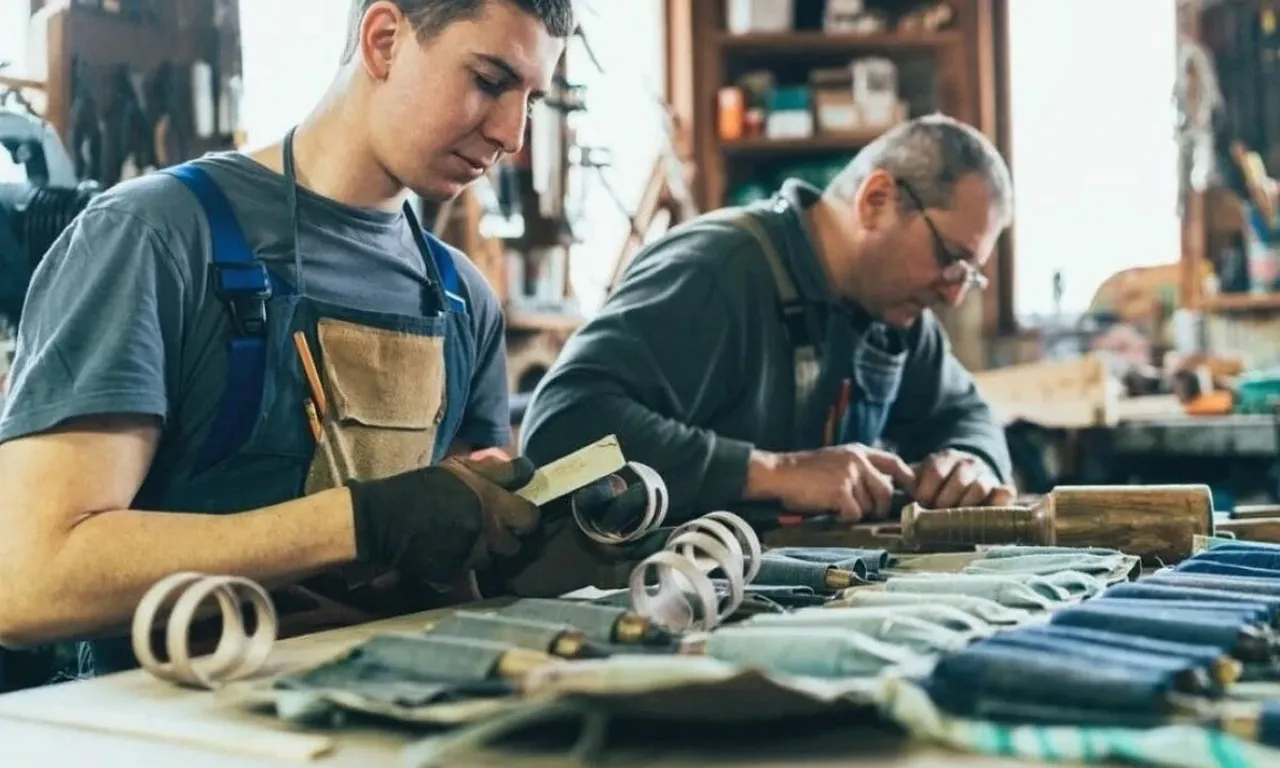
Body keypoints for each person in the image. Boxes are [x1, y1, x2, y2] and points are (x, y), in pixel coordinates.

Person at [0, 0, 575, 682]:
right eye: (489, 80)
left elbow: (461, 572)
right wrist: (361, 522)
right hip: (173, 733)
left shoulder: (460, 299)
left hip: (389, 723)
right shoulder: (159, 237)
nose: (513, 134)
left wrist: (561, 541)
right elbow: (29, 578)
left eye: (533, 99)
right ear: (385, 40)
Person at [521, 115, 1017, 524]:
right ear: (877, 201)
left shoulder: (897, 317)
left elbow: (968, 416)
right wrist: (773, 473)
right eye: (951, 257)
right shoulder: (717, 271)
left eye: (969, 275)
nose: (954, 294)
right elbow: (559, 434)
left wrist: (972, 462)